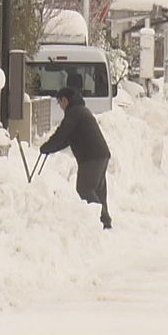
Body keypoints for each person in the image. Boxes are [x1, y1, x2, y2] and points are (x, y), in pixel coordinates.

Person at [40, 87, 112, 229]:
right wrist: (50, 149)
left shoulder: (74, 112)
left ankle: (96, 221)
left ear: (65, 100)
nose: (60, 107)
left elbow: (62, 133)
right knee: (97, 190)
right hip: (100, 155)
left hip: (91, 157)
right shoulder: (80, 111)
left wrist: (47, 147)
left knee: (84, 189)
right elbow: (67, 140)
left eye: (60, 103)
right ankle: (104, 222)